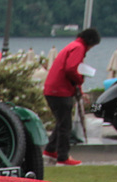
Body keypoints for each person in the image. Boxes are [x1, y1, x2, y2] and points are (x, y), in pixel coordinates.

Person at [43, 26, 100, 166]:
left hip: (53, 90)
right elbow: (71, 69)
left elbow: (69, 69)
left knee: (61, 122)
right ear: (90, 42)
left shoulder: (73, 46)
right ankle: (63, 157)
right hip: (60, 91)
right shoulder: (79, 48)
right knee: (65, 126)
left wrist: (79, 88)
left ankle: (50, 150)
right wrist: (80, 80)